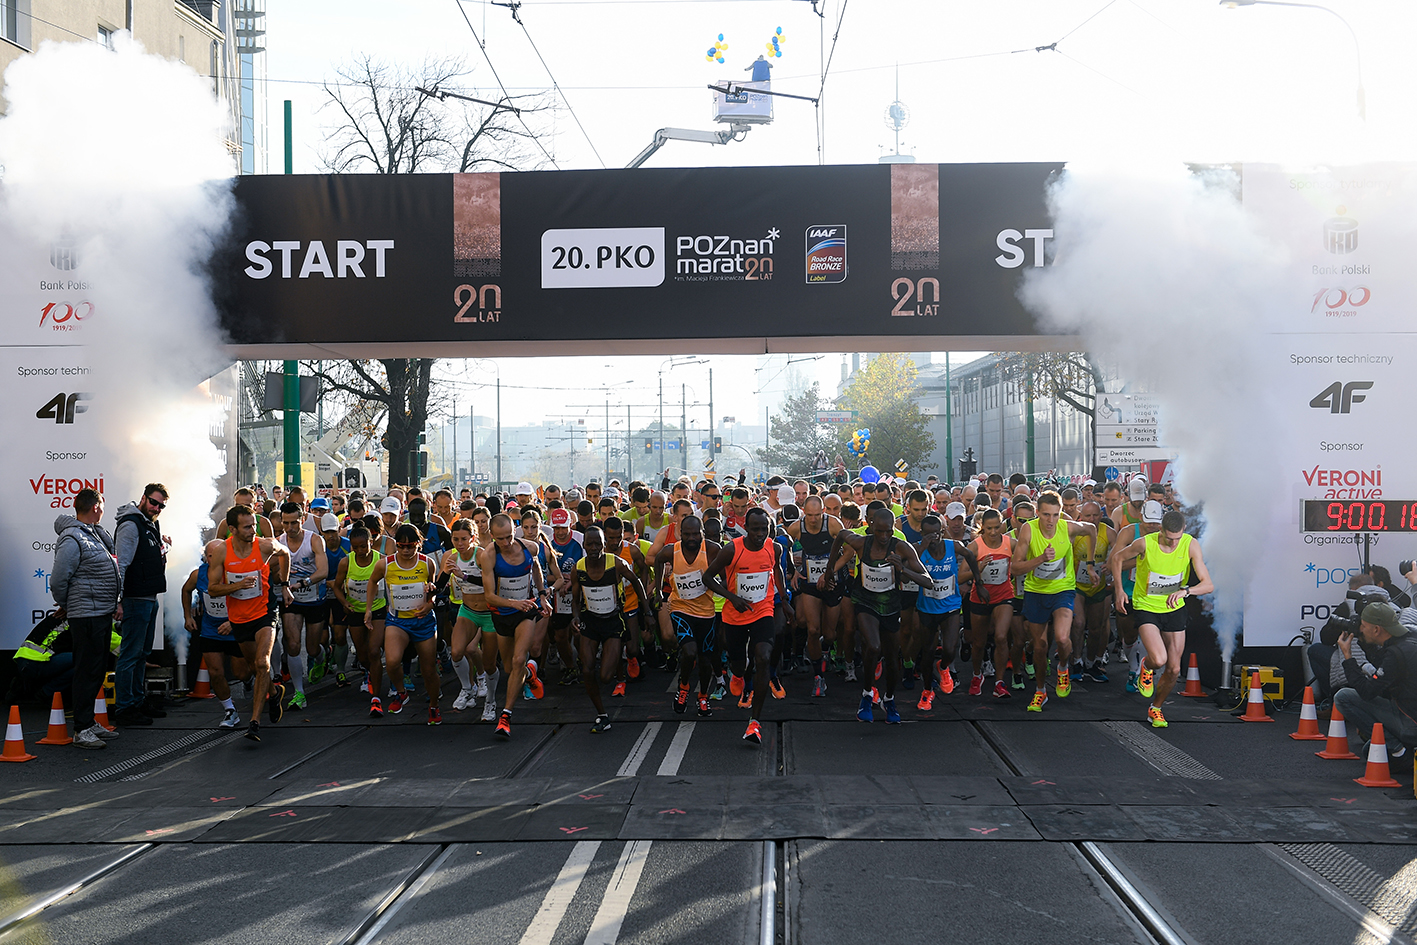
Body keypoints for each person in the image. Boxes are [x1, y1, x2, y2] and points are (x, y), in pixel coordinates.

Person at [826, 506, 932, 725]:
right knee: (873, 646)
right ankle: (866, 695)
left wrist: (902, 570)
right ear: (871, 526)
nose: (884, 537)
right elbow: (841, 536)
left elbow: (927, 580)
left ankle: (889, 699)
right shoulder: (860, 542)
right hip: (864, 601)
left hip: (891, 605)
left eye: (888, 532)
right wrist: (829, 571)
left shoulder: (901, 548)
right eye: (880, 531)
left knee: (893, 659)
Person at [1111, 508, 1214, 728]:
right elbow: (1117, 558)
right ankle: (1146, 668)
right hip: (1146, 606)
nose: (1173, 543)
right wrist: (1119, 590)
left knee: (1174, 668)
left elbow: (1208, 584)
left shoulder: (1190, 545)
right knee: (1159, 659)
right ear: (1161, 530)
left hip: (1174, 607)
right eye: (1169, 538)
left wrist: (1186, 591)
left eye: (1177, 538)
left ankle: (1155, 708)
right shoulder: (1145, 543)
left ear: (1183, 531)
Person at [704, 507, 793, 743]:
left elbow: (777, 570)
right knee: (740, 665)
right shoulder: (731, 550)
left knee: (763, 656)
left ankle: (755, 722)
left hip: (762, 609)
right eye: (755, 529)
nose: (760, 533)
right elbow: (707, 578)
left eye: (764, 529)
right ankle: (738, 675)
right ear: (746, 528)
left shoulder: (774, 547)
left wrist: (783, 600)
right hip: (735, 614)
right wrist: (732, 597)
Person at [206, 504, 292, 742]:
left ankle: (254, 723)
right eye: (247, 527)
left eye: (254, 524)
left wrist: (283, 584)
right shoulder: (222, 552)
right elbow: (213, 589)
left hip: (264, 612)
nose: (253, 530)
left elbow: (285, 553)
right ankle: (274, 693)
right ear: (232, 529)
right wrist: (237, 586)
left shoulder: (264, 545)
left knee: (263, 662)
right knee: (253, 668)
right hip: (239, 618)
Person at [47, 487, 121, 748]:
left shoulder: (95, 535)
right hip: (86, 614)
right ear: (96, 507)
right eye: (102, 505)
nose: (103, 510)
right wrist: (69, 604)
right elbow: (58, 580)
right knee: (86, 671)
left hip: (100, 612)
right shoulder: (73, 538)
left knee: (96, 670)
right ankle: (81, 729)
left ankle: (88, 723)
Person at [1011, 490, 1096, 713]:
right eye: (1046, 515)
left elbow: (1092, 530)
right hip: (1036, 592)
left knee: (1062, 637)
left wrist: (1089, 563)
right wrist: (1040, 559)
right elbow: (1015, 567)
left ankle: (1063, 667)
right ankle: (1040, 691)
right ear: (1037, 513)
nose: (1051, 520)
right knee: (1039, 646)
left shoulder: (1067, 528)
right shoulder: (1029, 530)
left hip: (1063, 589)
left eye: (1055, 515)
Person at [480, 512, 553, 739]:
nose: (506, 542)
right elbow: (490, 596)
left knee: (519, 658)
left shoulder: (530, 548)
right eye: (500, 538)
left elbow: (536, 568)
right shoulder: (488, 556)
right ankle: (530, 674)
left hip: (526, 611)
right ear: (492, 536)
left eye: (510, 536)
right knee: (511, 669)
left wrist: (541, 595)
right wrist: (514, 603)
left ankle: (506, 716)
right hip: (503, 613)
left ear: (516, 530)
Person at [571, 525, 649, 733]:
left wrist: (648, 612)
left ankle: (620, 662)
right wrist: (576, 617)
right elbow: (576, 599)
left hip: (614, 622)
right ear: (584, 545)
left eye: (598, 543)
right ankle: (601, 714)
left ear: (604, 544)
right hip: (590, 622)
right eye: (590, 544)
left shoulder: (617, 563)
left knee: (605, 677)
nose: (594, 548)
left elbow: (638, 582)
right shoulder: (578, 567)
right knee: (587, 669)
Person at [367, 524, 442, 724]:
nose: (406, 551)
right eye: (401, 546)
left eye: (411, 546)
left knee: (428, 670)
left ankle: (434, 706)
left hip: (423, 621)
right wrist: (368, 608)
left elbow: (432, 591)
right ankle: (401, 692)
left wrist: (430, 604)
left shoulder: (427, 563)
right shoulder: (386, 564)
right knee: (391, 661)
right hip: (398, 619)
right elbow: (372, 582)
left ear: (419, 544)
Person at [113, 483, 170, 726]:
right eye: (154, 502)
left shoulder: (150, 524)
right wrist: (118, 600)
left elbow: (148, 559)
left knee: (140, 654)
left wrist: (164, 550)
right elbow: (121, 565)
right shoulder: (131, 525)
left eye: (161, 505)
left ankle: (136, 702)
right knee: (131, 654)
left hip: (148, 596)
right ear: (143, 498)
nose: (157, 508)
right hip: (135, 599)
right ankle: (125, 707)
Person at [654, 514, 720, 717]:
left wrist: (720, 589)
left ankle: (702, 696)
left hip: (706, 611)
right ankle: (683, 687)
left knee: (705, 659)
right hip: (680, 607)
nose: (691, 538)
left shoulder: (711, 549)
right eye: (687, 534)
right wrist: (658, 591)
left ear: (702, 533)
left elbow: (727, 577)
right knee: (689, 651)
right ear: (680, 534)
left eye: (695, 534)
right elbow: (657, 561)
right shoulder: (671, 551)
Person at [1334, 602, 1417, 758]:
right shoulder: (1410, 637)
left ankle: (1399, 752)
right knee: (1369, 750)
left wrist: (1348, 657)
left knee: (1344, 697)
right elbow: (1386, 672)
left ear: (1376, 629)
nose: (1360, 629)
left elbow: (1367, 691)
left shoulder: (1395, 653)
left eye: (1363, 626)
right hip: (1411, 710)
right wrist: (1366, 644)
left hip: (1411, 722)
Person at [785, 495, 846, 698]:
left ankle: (825, 650)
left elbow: (851, 551)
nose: (812, 519)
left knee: (830, 634)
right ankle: (818, 677)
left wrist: (829, 571)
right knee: (812, 629)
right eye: (809, 515)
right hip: (810, 581)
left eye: (816, 515)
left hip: (832, 582)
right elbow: (782, 547)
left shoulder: (833, 524)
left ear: (823, 512)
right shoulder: (796, 527)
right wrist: (793, 569)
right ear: (804, 512)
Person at [914, 513, 976, 706]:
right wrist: (921, 547)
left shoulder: (953, 546)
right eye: (928, 535)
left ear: (943, 532)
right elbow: (905, 570)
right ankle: (927, 689)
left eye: (936, 534)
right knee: (928, 651)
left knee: (949, 649)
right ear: (921, 533)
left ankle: (943, 667)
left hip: (950, 605)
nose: (933, 539)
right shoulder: (917, 549)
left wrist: (978, 582)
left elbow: (971, 555)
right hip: (927, 607)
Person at [180, 552, 246, 732]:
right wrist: (187, 616)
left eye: (217, 555)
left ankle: (250, 680)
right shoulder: (198, 574)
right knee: (215, 672)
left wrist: (233, 622)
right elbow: (186, 590)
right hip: (211, 630)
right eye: (210, 555)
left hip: (236, 628)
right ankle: (230, 710)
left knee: (242, 674)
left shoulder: (237, 573)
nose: (214, 559)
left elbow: (253, 601)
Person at [278, 502, 327, 710]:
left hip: (314, 598)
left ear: (303, 518)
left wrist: (302, 583)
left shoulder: (314, 540)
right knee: (293, 645)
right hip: (293, 600)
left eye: (294, 523)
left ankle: (322, 656)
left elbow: (323, 571)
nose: (290, 528)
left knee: (312, 648)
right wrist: (284, 585)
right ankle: (299, 692)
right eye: (285, 523)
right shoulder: (278, 542)